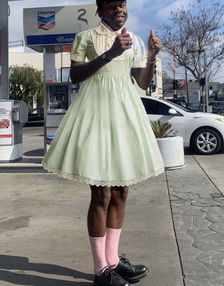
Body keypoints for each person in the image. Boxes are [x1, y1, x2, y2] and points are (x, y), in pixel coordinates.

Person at [42, 0, 164, 285]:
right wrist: (109, 54)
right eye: (112, 6)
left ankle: (113, 260)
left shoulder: (132, 39)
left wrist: (151, 56)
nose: (119, 10)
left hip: (124, 114)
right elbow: (75, 75)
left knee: (121, 191)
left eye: (122, 5)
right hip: (95, 113)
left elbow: (142, 83)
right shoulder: (85, 37)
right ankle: (101, 270)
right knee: (101, 194)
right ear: (100, 12)